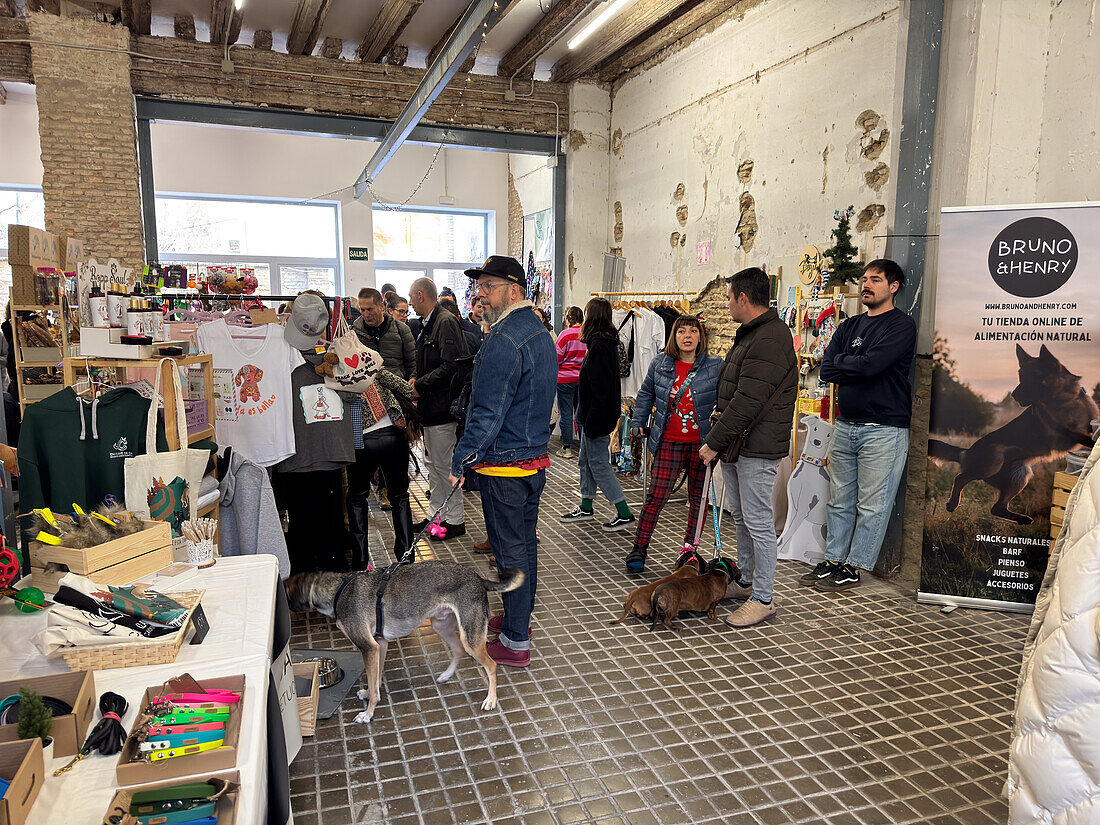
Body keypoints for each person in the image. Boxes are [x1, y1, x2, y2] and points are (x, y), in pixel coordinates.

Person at [448, 255, 555, 667]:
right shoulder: (538, 331)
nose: (479, 294)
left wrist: (460, 460)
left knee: (510, 554)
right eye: (479, 286)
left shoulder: (505, 338)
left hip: (504, 466)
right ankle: (516, 619)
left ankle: (514, 642)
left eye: (488, 286)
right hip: (531, 462)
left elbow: (488, 410)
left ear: (514, 290)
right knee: (522, 548)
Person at [801, 259, 916, 591]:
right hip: (846, 425)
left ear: (893, 287)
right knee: (839, 499)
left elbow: (870, 367)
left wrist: (845, 363)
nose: (867, 285)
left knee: (872, 505)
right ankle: (833, 560)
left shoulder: (901, 326)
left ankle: (854, 566)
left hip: (884, 429)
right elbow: (826, 371)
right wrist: (852, 364)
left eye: (876, 280)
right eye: (865, 279)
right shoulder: (849, 325)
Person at [700, 267, 797, 627]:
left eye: (728, 297)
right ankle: (746, 580)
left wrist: (713, 442)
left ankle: (764, 597)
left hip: (754, 447)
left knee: (758, 521)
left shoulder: (770, 338)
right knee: (741, 515)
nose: (726, 304)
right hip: (739, 444)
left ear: (743, 298)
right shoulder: (754, 334)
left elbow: (748, 401)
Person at [625, 315, 721, 573]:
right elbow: (645, 394)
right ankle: (639, 547)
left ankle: (689, 552)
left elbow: (725, 401)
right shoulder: (660, 364)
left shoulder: (715, 366)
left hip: (702, 446)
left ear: (701, 337)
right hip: (668, 442)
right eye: (681, 331)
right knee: (656, 497)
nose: (687, 336)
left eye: (693, 331)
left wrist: (721, 435)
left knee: (697, 501)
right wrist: (638, 421)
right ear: (673, 336)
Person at [561, 298, 635, 532]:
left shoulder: (601, 346)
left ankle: (624, 513)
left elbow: (601, 390)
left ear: (590, 316)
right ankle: (586, 506)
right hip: (593, 416)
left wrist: (591, 420)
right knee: (585, 460)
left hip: (597, 418)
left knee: (599, 464)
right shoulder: (601, 343)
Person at [410, 276, 469, 540]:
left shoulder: (444, 322)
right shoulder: (431, 324)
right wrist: (416, 380)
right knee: (434, 465)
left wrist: (419, 385)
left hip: (443, 408)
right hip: (431, 409)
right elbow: (428, 362)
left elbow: (452, 366)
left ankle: (454, 520)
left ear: (421, 296)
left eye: (411, 298)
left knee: (445, 466)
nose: (410, 303)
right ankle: (437, 515)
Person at [353, 287, 416, 380]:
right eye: (362, 310)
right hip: (367, 388)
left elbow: (412, 362)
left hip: (397, 387)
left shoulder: (401, 330)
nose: (366, 314)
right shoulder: (355, 333)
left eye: (370, 309)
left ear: (381, 306)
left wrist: (412, 379)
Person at [554, 306, 585, 458]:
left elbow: (557, 358)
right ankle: (583, 447)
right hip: (582, 379)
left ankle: (567, 448)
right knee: (580, 413)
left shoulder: (565, 334)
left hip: (564, 380)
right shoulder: (587, 334)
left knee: (566, 414)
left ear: (568, 318)